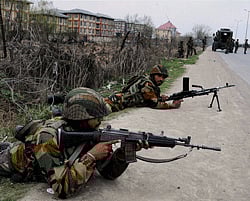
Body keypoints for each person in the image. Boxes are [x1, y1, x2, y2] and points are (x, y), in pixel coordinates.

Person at [0, 87, 149, 199]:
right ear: (81, 118)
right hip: (6, 161)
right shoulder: (48, 136)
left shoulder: (87, 131)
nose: (101, 121)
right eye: (96, 117)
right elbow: (61, 189)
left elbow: (109, 174)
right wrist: (91, 156)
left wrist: (123, 154)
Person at [105, 64, 183, 112]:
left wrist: (161, 98)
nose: (161, 79)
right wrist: (172, 105)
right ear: (153, 75)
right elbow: (154, 104)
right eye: (159, 76)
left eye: (163, 77)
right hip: (116, 103)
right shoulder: (147, 85)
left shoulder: (147, 81)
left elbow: (148, 99)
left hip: (117, 100)